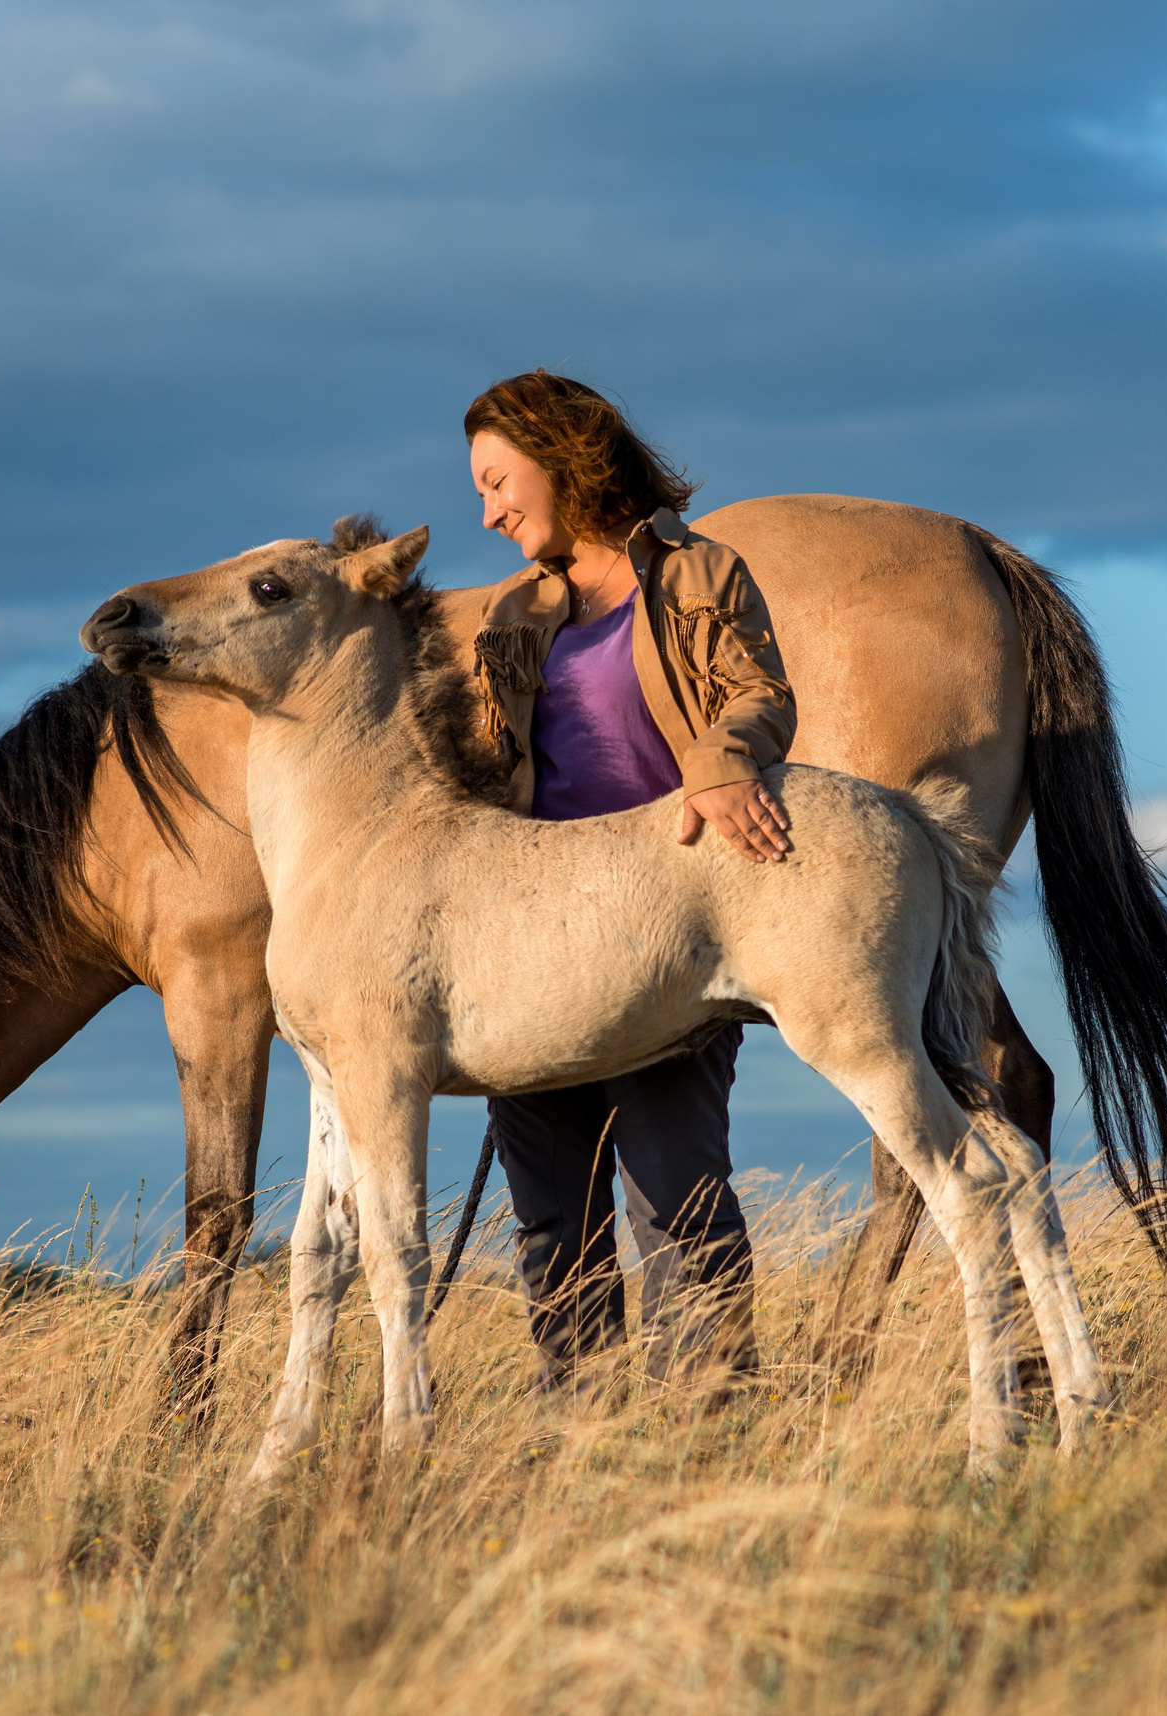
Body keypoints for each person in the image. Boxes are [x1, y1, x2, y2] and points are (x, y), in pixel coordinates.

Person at [463, 369, 795, 1395]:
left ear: (559, 455)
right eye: (479, 491)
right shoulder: (512, 616)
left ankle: (711, 1424)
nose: (487, 512)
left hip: (667, 930)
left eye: (498, 480)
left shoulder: (698, 573)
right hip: (536, 942)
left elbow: (757, 694)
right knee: (551, 1213)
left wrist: (718, 760)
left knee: (675, 1195)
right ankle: (583, 1437)